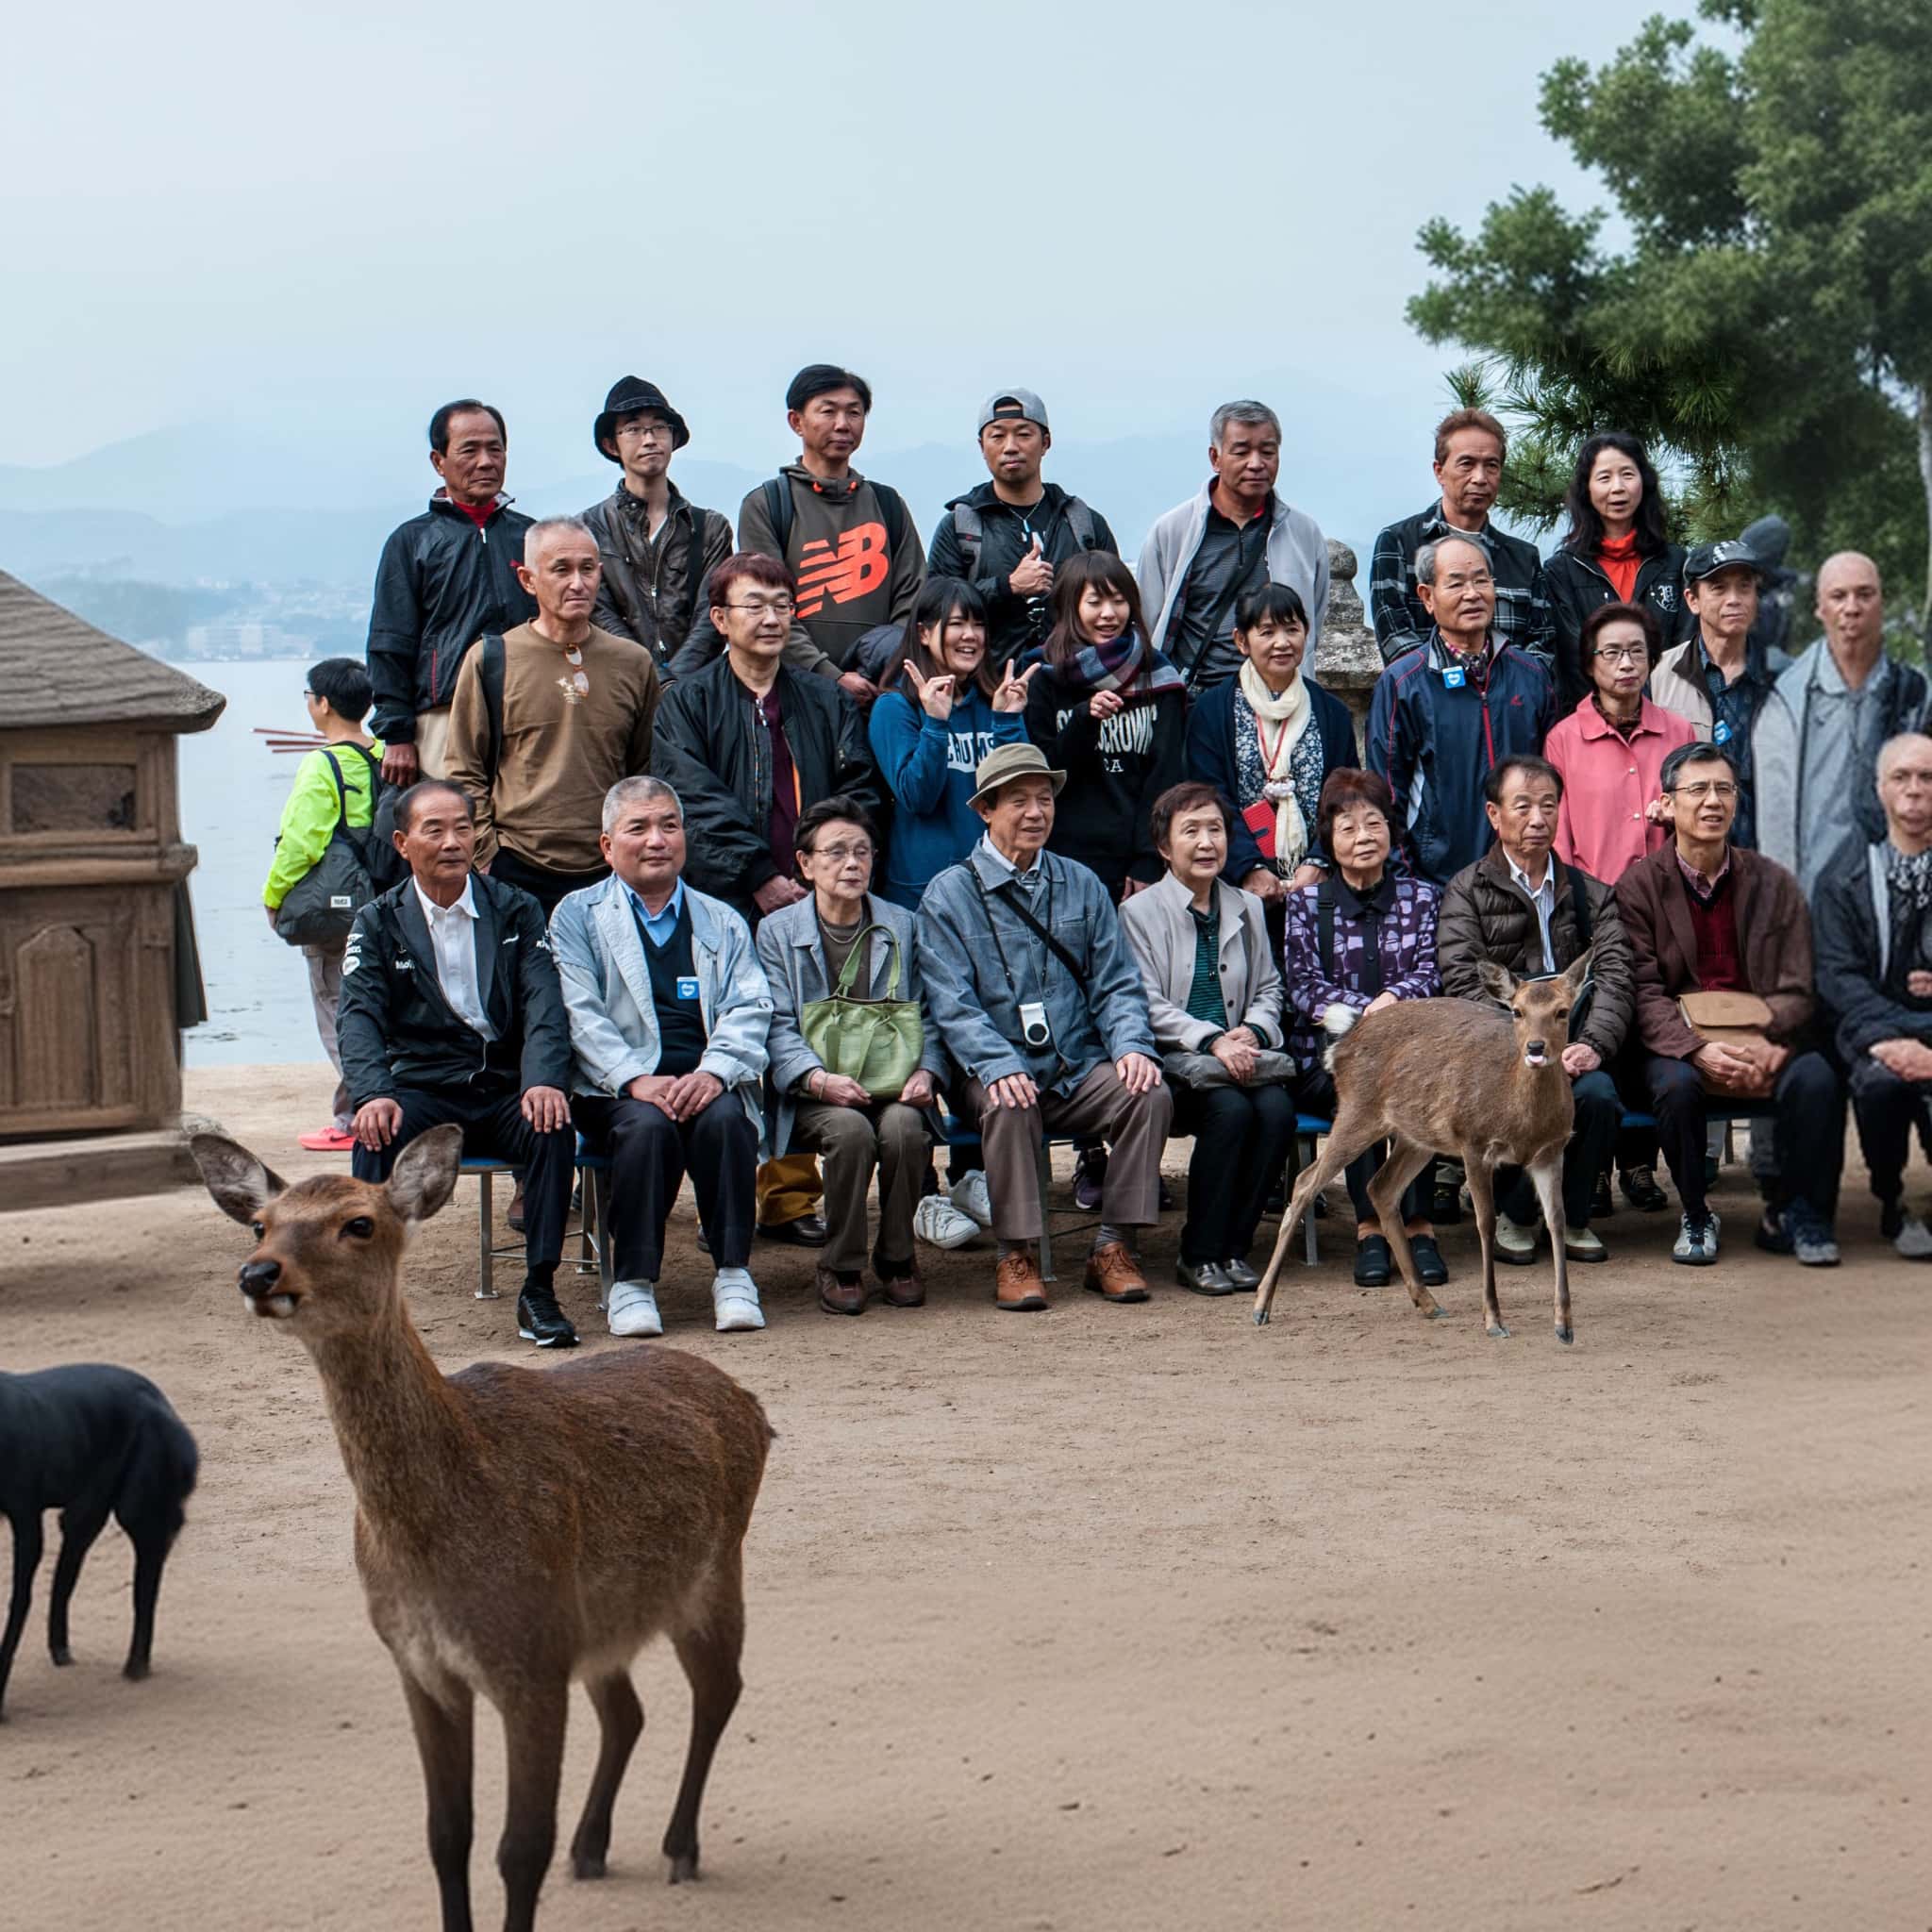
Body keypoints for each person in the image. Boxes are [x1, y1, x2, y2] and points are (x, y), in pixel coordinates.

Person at [651, 551, 884, 1246]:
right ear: (720, 619)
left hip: (815, 903)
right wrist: (758, 872)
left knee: (800, 1040)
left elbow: (858, 788)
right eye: (754, 604)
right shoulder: (688, 701)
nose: (772, 617)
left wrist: (820, 873)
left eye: (783, 604)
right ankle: (723, 1200)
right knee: (724, 1042)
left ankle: (787, 1199)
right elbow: (691, 799)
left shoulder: (824, 697)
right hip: (723, 900)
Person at [918, 744, 1172, 1311]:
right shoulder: (948, 895)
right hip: (990, 1069)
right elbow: (952, 1005)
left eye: (1044, 799)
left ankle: (1113, 1246)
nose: (1036, 812)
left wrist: (1131, 1046)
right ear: (985, 810)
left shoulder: (1081, 882)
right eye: (1018, 801)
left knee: (1147, 1093)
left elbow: (1116, 982)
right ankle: (1016, 1254)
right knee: (1008, 1102)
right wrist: (997, 1064)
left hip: (1075, 1064)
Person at [336, 781, 579, 1347]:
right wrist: (372, 1093)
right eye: (435, 830)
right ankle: (365, 1296)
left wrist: (544, 1080)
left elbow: (545, 1005)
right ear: (402, 843)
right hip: (424, 1088)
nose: (452, 842)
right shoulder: (377, 921)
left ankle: (539, 1290)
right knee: (374, 1131)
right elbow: (358, 1016)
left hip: (505, 1087)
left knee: (553, 1124)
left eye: (463, 828)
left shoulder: (515, 908)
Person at [550, 778, 773, 1337]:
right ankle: (632, 1282)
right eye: (639, 828)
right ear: (607, 846)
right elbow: (578, 1012)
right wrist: (633, 1078)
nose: (657, 840)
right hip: (613, 1089)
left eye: (669, 826)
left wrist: (715, 1071)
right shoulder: (577, 915)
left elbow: (750, 1005)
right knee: (646, 1127)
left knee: (727, 1120)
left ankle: (733, 1272)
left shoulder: (720, 917)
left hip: (703, 1079)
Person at [1615, 741, 1845, 1268]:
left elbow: (1799, 982)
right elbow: (1642, 990)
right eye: (1697, 790)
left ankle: (1797, 1211)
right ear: (1667, 804)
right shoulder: (1638, 887)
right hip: (1679, 1044)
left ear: (1737, 802)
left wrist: (1770, 1041)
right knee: (1675, 1085)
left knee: (1817, 1077)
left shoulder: (1772, 880)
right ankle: (1696, 1213)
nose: (1712, 801)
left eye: (1724, 789)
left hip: (1762, 1036)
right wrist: (1696, 1049)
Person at [1436, 755, 1636, 1262]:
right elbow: (1463, 982)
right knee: (1509, 1098)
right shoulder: (1466, 891)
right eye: (1522, 806)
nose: (1537, 819)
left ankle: (1572, 1216)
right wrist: (1526, 1045)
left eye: (1548, 806)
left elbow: (1616, 977)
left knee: (1598, 1096)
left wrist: (1591, 1045)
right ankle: (1516, 1213)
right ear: (1494, 814)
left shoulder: (1591, 894)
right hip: (1504, 1048)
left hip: (1573, 1040)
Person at [756, 797, 944, 1314]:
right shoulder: (776, 932)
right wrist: (817, 1079)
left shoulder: (902, 924)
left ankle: (898, 1257)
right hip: (814, 1092)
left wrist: (928, 1071)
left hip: (893, 1083)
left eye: (862, 852)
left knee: (905, 1128)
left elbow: (932, 1011)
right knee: (851, 1130)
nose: (852, 864)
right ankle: (840, 1263)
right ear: (805, 863)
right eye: (836, 852)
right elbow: (775, 1024)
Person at [1120, 783, 1295, 1293]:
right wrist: (1214, 1039)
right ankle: (1199, 1252)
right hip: (1177, 1064)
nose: (1206, 843)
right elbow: (1145, 1002)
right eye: (1191, 831)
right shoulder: (1138, 913)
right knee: (1231, 1112)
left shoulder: (1247, 906)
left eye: (1215, 830)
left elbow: (1269, 986)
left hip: (1243, 1056)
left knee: (1277, 1112)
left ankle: (1234, 1248)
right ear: (1163, 846)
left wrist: (1255, 1029)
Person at [443, 516, 659, 915]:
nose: (578, 583)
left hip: (608, 866)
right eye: (561, 570)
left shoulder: (633, 662)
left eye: (588, 569)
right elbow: (464, 768)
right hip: (516, 864)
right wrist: (487, 855)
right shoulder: (493, 659)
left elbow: (642, 768)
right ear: (528, 580)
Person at [1282, 770, 1445, 1288]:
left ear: (1391, 831)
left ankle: (1418, 1227)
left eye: (1374, 824)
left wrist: (1392, 1002)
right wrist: (1366, 1012)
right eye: (1348, 828)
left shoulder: (1423, 898)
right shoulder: (1307, 904)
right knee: (1363, 1089)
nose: (1363, 837)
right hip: (1329, 1055)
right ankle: (1371, 1227)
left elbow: (1432, 970)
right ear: (1328, 839)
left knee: (1420, 1088)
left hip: (1412, 1053)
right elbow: (1303, 986)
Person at [672, 364, 924, 696]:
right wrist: (829, 675)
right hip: (793, 691)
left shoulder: (888, 505)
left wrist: (886, 668)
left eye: (854, 412)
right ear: (796, 422)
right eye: (828, 411)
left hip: (880, 689)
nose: (842, 424)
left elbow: (913, 598)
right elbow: (766, 604)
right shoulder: (768, 504)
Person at [1366, 534, 1556, 886]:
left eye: (1481, 580)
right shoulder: (1404, 683)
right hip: (1438, 883)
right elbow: (1386, 795)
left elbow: (1554, 777)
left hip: (1526, 877)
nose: (1472, 594)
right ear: (1427, 597)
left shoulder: (1530, 675)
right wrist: (1409, 886)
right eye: (1456, 584)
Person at [366, 400, 536, 785]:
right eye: (469, 450)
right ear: (438, 461)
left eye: (495, 449)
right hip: (443, 714)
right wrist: (397, 734)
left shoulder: (531, 537)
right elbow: (389, 642)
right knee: (450, 817)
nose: (485, 462)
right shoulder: (412, 541)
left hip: (527, 709)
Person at [1813, 734, 1932, 1257]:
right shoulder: (1844, 877)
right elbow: (1838, 977)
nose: (1915, 790)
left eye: (1927, 778)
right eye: (1901, 777)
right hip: (1870, 1034)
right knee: (1881, 1085)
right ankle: (1890, 1198)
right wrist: (1894, 1040)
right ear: (1880, 789)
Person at [260, 658, 385, 1151]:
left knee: (336, 1008)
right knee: (375, 1007)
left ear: (324, 703)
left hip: (334, 913)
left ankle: (361, 1117)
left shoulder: (322, 763)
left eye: (309, 696)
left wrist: (273, 897)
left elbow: (301, 843)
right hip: (382, 903)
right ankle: (355, 1111)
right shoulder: (386, 755)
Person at [1753, 553, 1928, 898]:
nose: (1852, 608)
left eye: (1865, 594)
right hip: (1809, 901)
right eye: (1838, 596)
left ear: (1882, 603)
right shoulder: (1784, 700)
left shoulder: (1912, 695)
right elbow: (1774, 824)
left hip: (1895, 901)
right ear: (1820, 609)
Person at [1024, 552, 1187, 900]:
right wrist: (1084, 719)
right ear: (1071, 607)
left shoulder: (1159, 677)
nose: (1109, 613)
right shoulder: (1042, 677)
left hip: (1135, 866)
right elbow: (1044, 772)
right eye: (1095, 602)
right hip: (1060, 862)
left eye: (1119, 600)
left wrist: (1148, 859)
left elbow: (1166, 776)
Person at [1136, 401, 1330, 692]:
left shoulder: (1303, 534)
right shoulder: (1173, 531)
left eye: (1267, 452)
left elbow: (1312, 618)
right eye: (1241, 452)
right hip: (1195, 699)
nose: (1256, 463)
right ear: (1215, 458)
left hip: (1278, 697)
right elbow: (1148, 621)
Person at [1183, 584, 1358, 905]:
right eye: (1267, 632)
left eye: (1292, 629)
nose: (1282, 642)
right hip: (1236, 883)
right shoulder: (1212, 711)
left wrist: (1319, 861)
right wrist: (1249, 867)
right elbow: (1209, 794)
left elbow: (1345, 795)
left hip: (1317, 885)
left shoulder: (1331, 712)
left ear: (1306, 632)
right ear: (1241, 641)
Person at [868, 576, 1037, 909]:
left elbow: (1026, 794)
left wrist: (1007, 722)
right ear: (923, 633)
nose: (971, 635)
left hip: (998, 887)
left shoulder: (995, 703)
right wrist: (935, 724)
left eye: (979, 625)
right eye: (957, 623)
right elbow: (918, 797)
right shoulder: (895, 707)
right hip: (925, 895)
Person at [925, 389, 1119, 670]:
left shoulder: (1083, 523)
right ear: (982, 446)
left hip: (1075, 681)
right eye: (997, 436)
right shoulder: (960, 526)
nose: (1010, 447)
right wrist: (1007, 586)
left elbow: (1115, 601)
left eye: (1024, 434)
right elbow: (936, 610)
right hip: (988, 682)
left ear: (1046, 442)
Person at [1368, 407, 1553, 665]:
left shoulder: (1523, 558)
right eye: (1467, 464)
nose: (1480, 478)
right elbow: (1395, 639)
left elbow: (1542, 647)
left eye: (1491, 466)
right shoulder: (1399, 543)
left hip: (1512, 691)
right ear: (1439, 471)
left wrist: (1503, 683)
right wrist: (1462, 681)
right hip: (1428, 689)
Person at [580, 376, 734, 670]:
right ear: (611, 445)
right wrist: (651, 677)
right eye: (634, 429)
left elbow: (711, 618)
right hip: (620, 683)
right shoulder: (588, 529)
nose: (649, 440)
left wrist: (675, 682)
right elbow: (599, 615)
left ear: (673, 438)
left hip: (698, 686)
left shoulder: (710, 529)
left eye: (659, 428)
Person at [1545, 602, 1697, 886]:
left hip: (1668, 894)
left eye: (1637, 651)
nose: (1626, 664)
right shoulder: (1563, 740)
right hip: (1596, 898)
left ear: (1652, 660)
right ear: (1590, 665)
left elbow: (1698, 819)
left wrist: (1674, 818)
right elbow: (1559, 838)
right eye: (1612, 653)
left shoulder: (1679, 732)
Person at [1543, 431, 1693, 711]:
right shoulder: (1563, 569)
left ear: (1644, 482)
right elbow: (1572, 659)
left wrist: (1654, 714)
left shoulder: (1675, 562)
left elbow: (1684, 647)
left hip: (1666, 715)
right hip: (1592, 719)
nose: (1618, 487)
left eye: (1627, 474)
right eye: (1604, 477)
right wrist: (1610, 714)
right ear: (1587, 489)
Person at [1649, 539, 1783, 850]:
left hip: (1767, 855)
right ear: (1692, 600)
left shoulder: (1784, 676)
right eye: (1719, 588)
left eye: (1744, 587)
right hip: (1690, 856)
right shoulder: (1659, 675)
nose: (1734, 599)